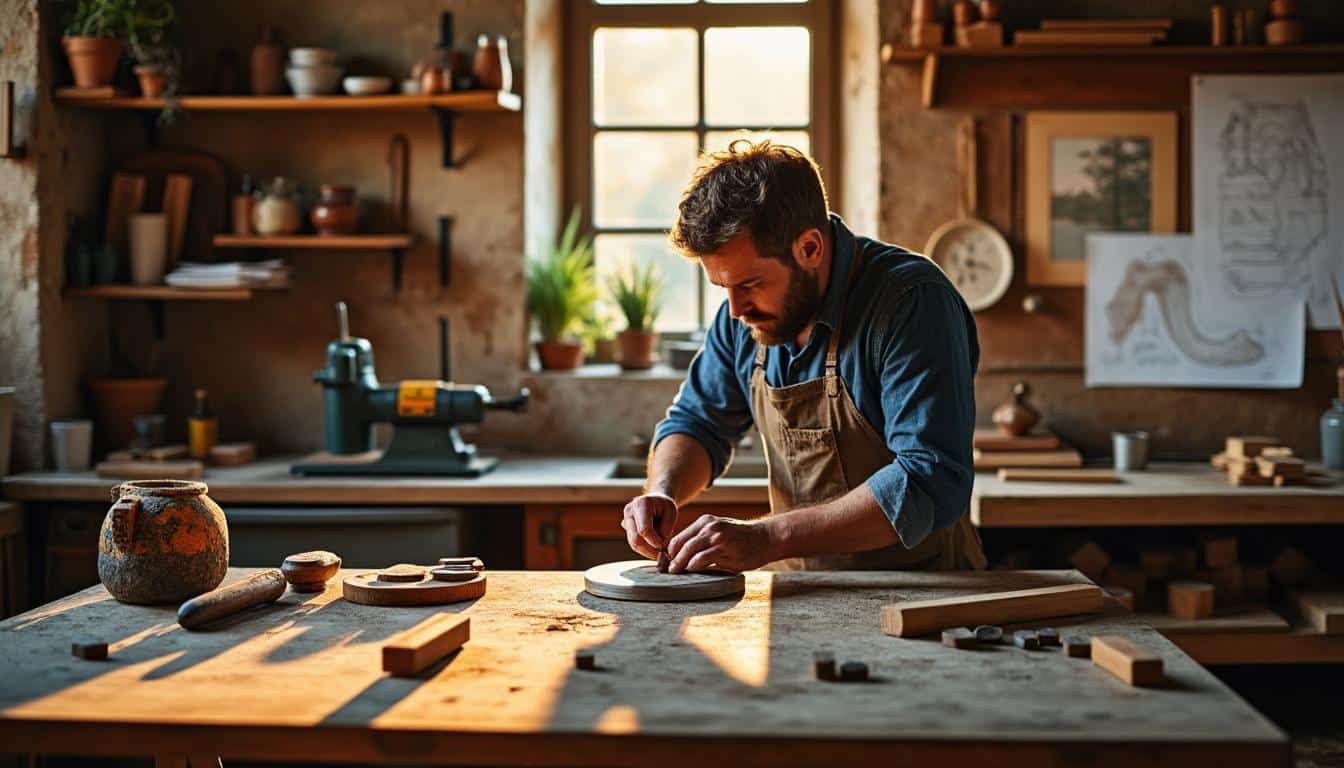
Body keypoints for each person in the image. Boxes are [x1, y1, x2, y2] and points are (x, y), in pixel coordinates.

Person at [621, 140, 986, 572]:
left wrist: (769, 536)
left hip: (924, 596)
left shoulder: (912, 303)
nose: (736, 310)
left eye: (751, 283)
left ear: (810, 248)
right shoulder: (742, 317)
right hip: (800, 594)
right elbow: (699, 423)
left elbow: (928, 479)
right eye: (724, 288)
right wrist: (662, 489)